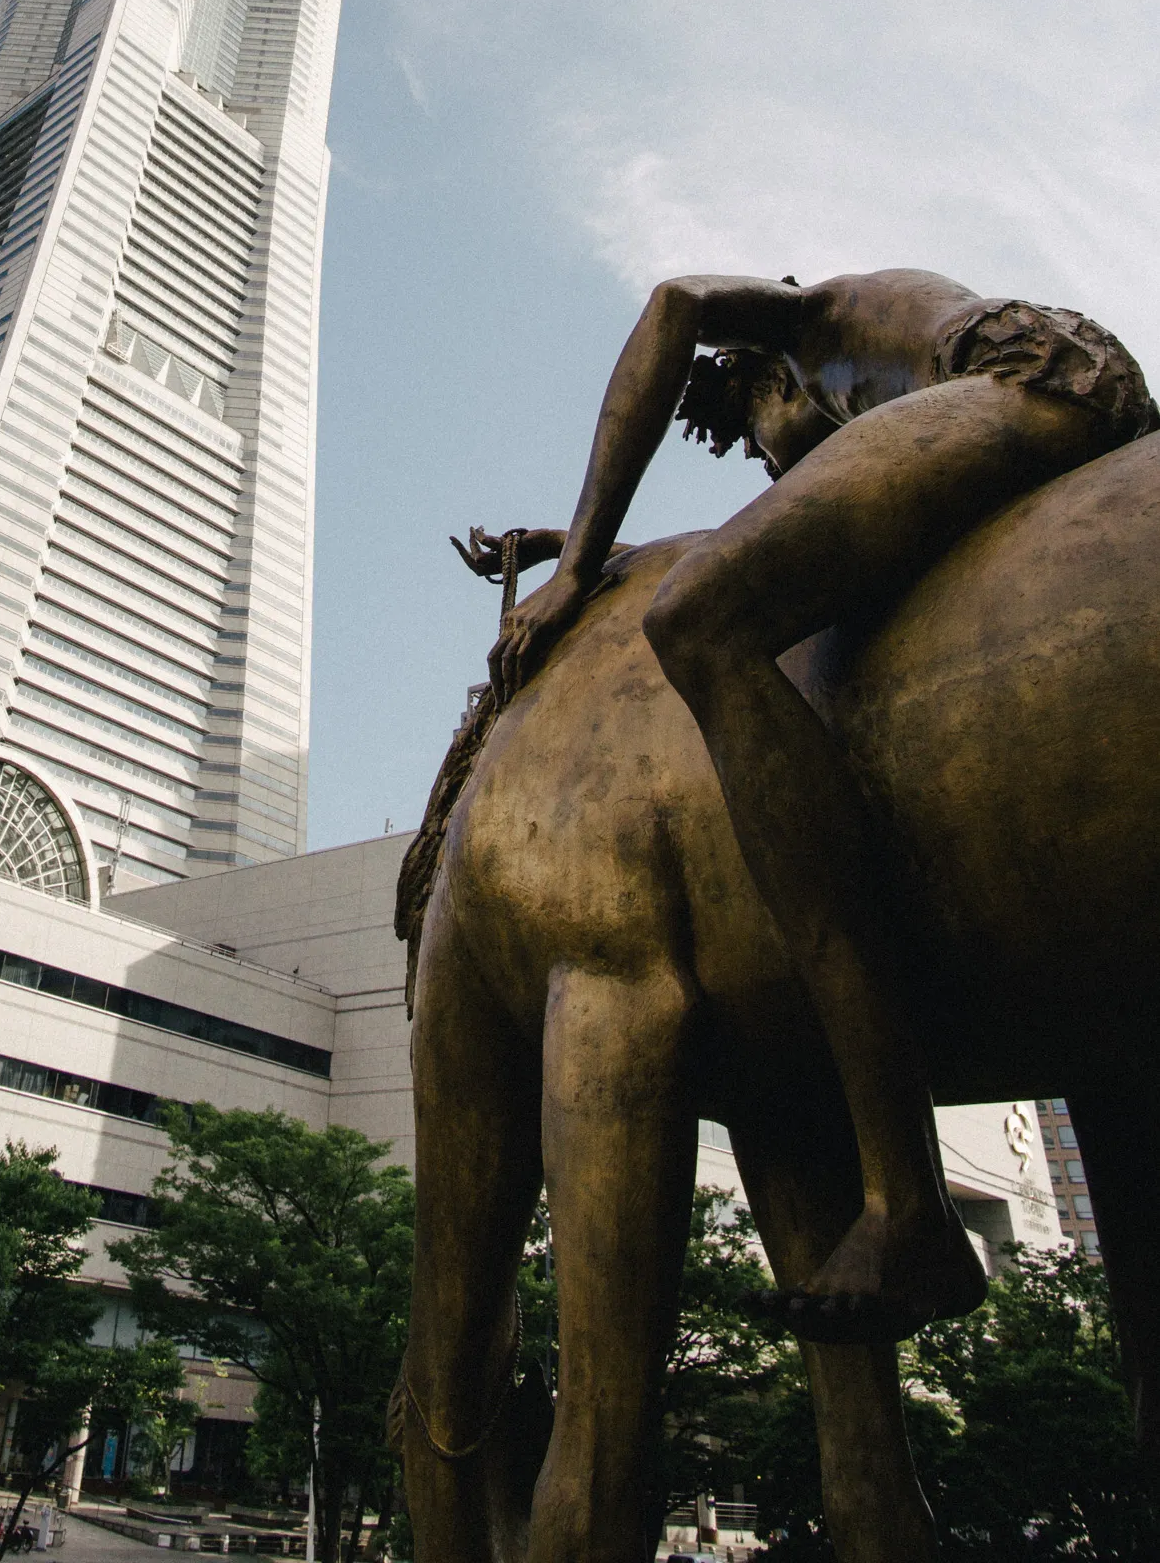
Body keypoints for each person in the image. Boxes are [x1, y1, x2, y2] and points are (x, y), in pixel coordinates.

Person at [486, 268, 1154, 1343]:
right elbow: (816, 516)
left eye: (760, 440)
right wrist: (594, 557)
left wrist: (571, 573)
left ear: (764, 379)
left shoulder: (810, 326)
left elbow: (672, 302)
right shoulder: (880, 361)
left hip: (1037, 378)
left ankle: (905, 1193)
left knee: (701, 620)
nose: (769, 463)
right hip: (1071, 382)